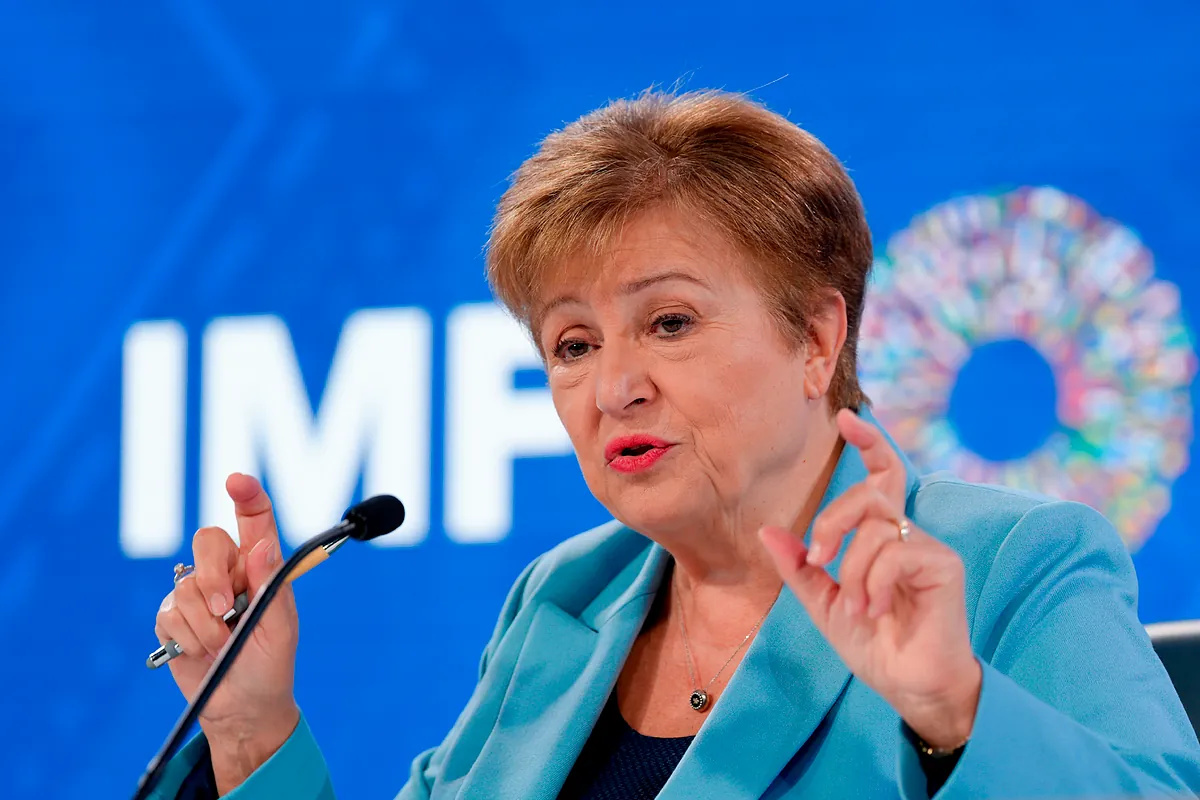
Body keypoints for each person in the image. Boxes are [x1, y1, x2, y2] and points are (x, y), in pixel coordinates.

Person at [150, 90, 1200, 800]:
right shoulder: (564, 601)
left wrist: (954, 711)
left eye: (669, 322)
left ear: (816, 337)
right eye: (573, 344)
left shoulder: (1009, 562)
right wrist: (250, 727)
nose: (615, 387)